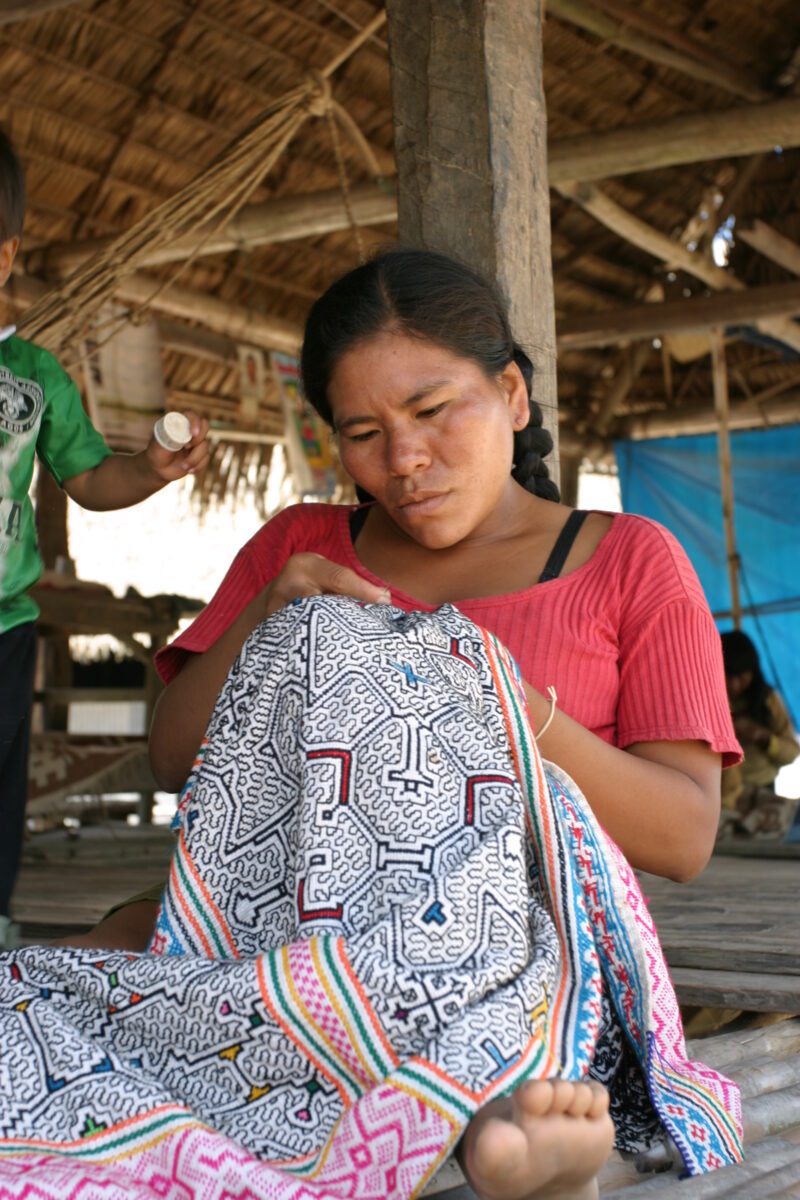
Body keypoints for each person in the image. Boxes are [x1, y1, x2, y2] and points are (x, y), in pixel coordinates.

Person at [58, 249, 741, 1199]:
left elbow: (684, 834)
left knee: (495, 1008)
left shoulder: (629, 560)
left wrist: (511, 708)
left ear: (511, 394)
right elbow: (176, 758)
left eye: (432, 410)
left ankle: (504, 1126)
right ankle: (476, 1120)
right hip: (281, 925)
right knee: (56, 988)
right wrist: (272, 619)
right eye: (366, 432)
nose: (405, 460)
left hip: (510, 934)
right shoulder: (300, 547)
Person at [0, 126, 210, 950]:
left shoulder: (36, 378)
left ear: (4, 256)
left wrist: (151, 468)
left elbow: (90, 482)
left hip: (6, 624)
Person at [720, 629, 798, 838]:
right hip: (719, 797)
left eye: (740, 677)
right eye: (727, 676)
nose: (733, 685)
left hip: (761, 793)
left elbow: (791, 753)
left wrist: (763, 737)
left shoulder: (767, 701)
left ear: (752, 671)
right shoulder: (709, 700)